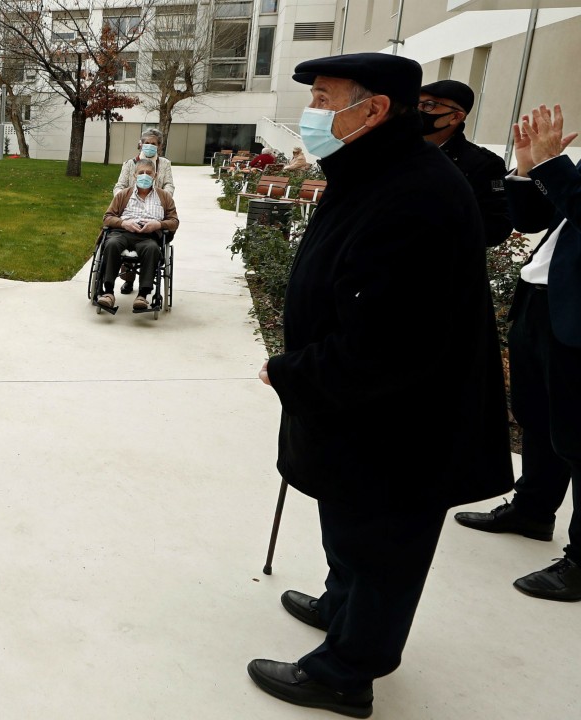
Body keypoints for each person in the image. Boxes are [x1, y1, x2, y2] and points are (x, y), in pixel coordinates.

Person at [247, 53, 512, 718]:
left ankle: (347, 670)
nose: (311, 112)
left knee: (384, 545)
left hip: (402, 423)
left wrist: (293, 372)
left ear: (374, 109)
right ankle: (342, 607)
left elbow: (390, 342)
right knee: (348, 521)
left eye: (323, 98)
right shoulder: (372, 168)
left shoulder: (416, 194)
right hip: (358, 412)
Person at [453, 104, 581, 602]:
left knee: (578, 437)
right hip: (543, 302)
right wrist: (528, 171)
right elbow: (534, 222)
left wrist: (554, 167)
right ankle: (532, 511)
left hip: (574, 313)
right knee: (537, 415)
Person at [418, 79, 512, 247]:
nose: (417, 111)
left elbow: (496, 228)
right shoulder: (392, 151)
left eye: (429, 105)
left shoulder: (484, 165)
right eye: (414, 104)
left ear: (455, 117)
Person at [95, 158, 179, 313]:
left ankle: (142, 295)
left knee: (152, 249)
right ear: (134, 175)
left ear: (155, 176)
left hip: (148, 236)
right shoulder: (123, 195)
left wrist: (158, 225)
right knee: (111, 244)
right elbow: (107, 217)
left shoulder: (164, 197)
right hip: (122, 233)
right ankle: (108, 292)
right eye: (141, 173)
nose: (144, 176)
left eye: (149, 173)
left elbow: (174, 221)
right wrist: (123, 223)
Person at [113, 129, 176, 196]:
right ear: (141, 144)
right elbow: (120, 186)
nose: (149, 146)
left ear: (159, 146)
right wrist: (123, 198)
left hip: (157, 201)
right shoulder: (129, 164)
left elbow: (169, 185)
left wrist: (163, 198)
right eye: (147, 143)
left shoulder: (165, 163)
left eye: (153, 144)